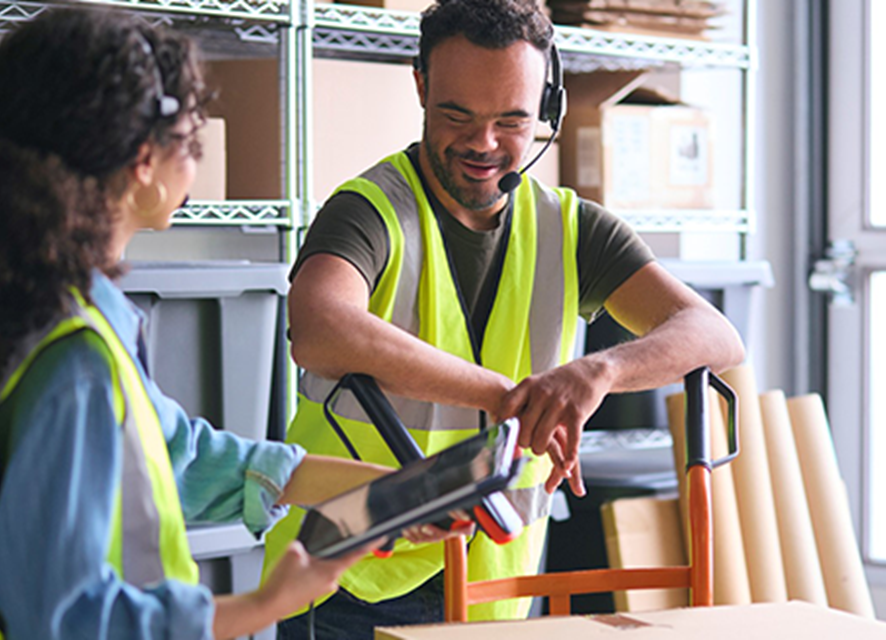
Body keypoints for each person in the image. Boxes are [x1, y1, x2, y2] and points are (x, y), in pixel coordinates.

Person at [263, 0, 746, 637]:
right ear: (421, 87)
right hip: (347, 572)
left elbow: (714, 335)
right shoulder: (368, 210)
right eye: (456, 115)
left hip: (495, 586)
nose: (484, 144)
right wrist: (508, 400)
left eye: (512, 121)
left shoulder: (570, 227)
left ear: (547, 107)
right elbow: (319, 326)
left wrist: (594, 373)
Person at [0, 8, 457, 640]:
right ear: (142, 160)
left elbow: (188, 457)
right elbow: (65, 618)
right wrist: (265, 606)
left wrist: (395, 492)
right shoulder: (75, 366)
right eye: (192, 136)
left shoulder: (73, 321)